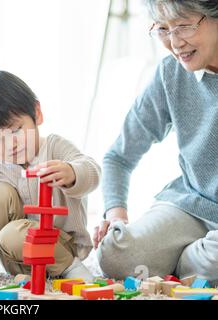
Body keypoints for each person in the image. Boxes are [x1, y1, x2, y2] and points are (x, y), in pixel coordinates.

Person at [94, 0, 218, 283]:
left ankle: (183, 261)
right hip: (189, 205)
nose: (174, 43)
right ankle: (193, 264)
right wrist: (116, 217)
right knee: (115, 254)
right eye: (163, 29)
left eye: (183, 26)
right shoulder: (170, 74)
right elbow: (118, 157)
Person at [0, 71, 101, 287]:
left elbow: (92, 170)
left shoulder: (55, 147)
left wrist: (72, 172)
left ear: (37, 113)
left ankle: (71, 269)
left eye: (16, 130)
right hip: (16, 254)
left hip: (60, 247)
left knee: (13, 234)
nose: (10, 145)